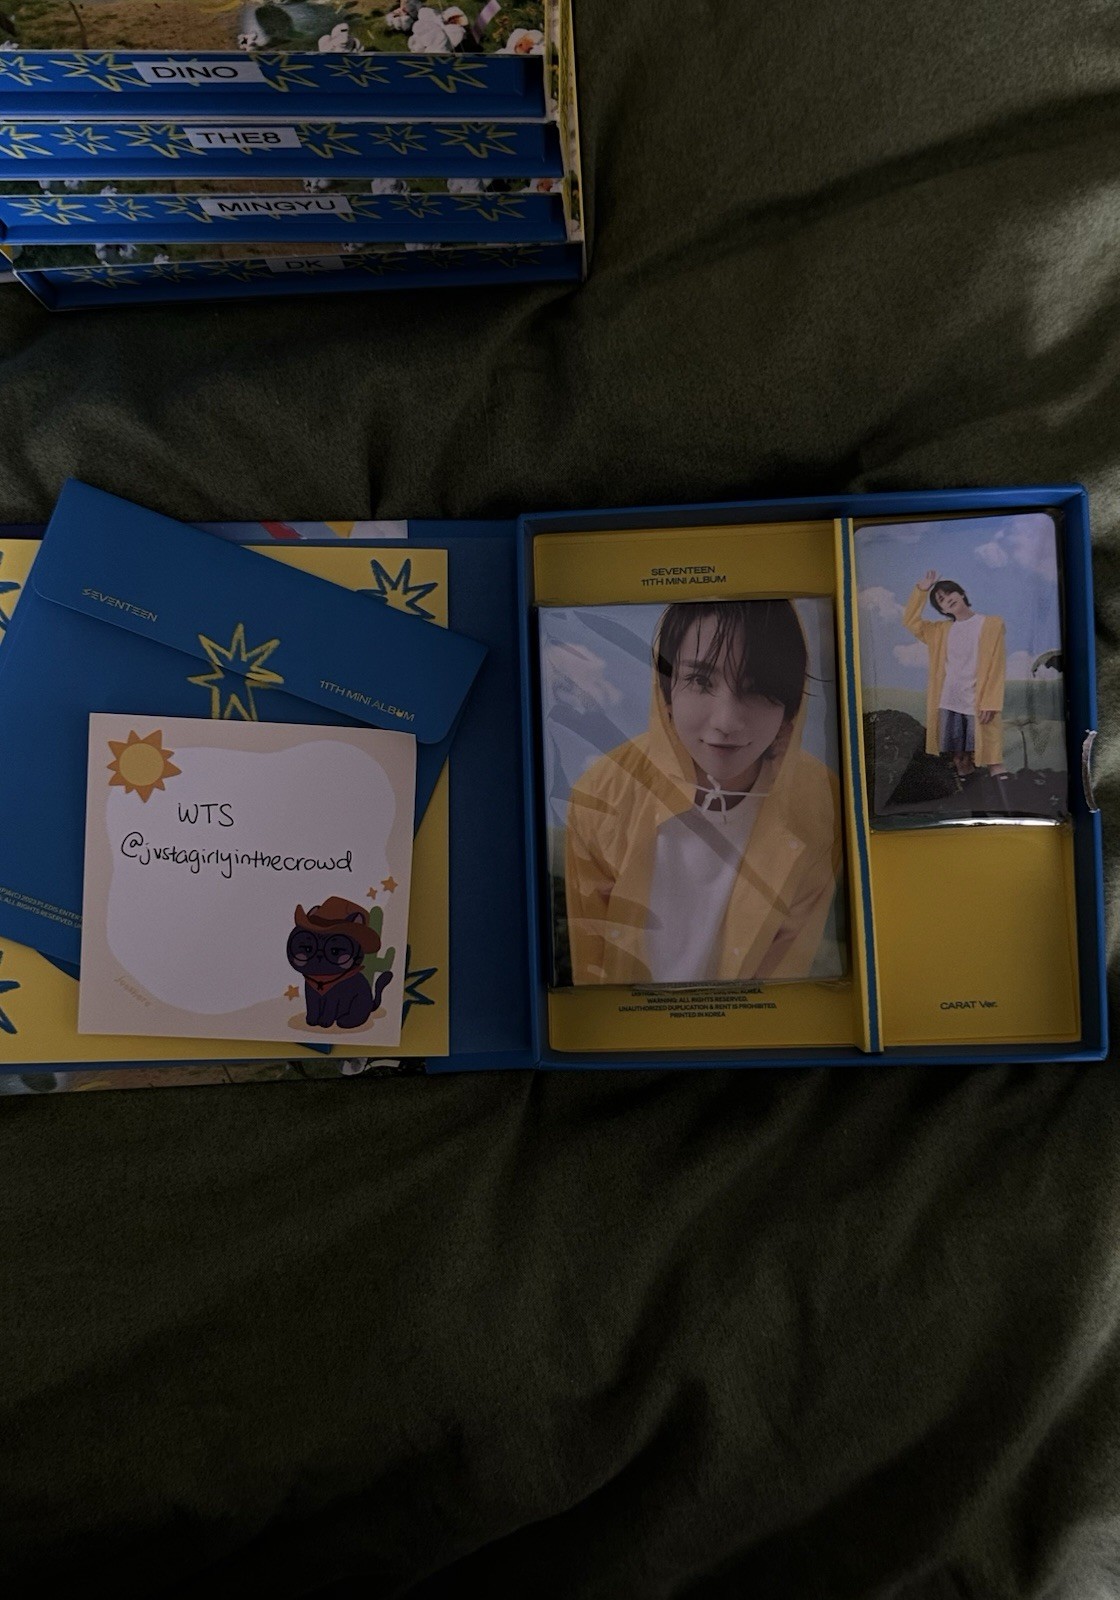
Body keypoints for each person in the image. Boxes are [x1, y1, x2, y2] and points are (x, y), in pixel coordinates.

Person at [564, 600, 841, 986]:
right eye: (699, 681)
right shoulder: (602, 792)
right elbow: (591, 966)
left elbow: (785, 974)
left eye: (757, 689)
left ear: (790, 708)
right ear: (666, 691)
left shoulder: (820, 801)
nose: (727, 721)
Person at [903, 570, 1007, 780]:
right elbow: (910, 622)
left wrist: (990, 702)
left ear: (961, 594)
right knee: (959, 756)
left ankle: (1004, 789)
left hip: (977, 699)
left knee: (992, 758)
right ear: (942, 609)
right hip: (949, 699)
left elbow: (997, 666)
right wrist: (921, 591)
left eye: (949, 593)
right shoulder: (939, 631)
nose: (947, 599)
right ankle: (967, 787)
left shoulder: (992, 624)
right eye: (940, 599)